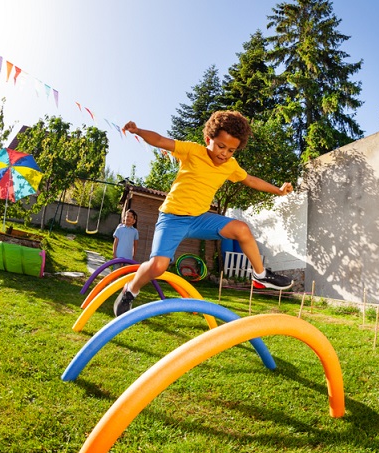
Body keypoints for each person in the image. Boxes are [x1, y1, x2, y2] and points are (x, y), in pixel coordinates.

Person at [114, 110, 294, 316]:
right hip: (172, 218)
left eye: (231, 150)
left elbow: (251, 180)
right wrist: (138, 131)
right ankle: (131, 290)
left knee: (241, 229)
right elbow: (161, 140)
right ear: (209, 139)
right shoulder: (192, 151)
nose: (224, 154)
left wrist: (278, 190)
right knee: (158, 266)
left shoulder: (230, 165)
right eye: (221, 146)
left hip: (200, 218)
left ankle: (260, 275)